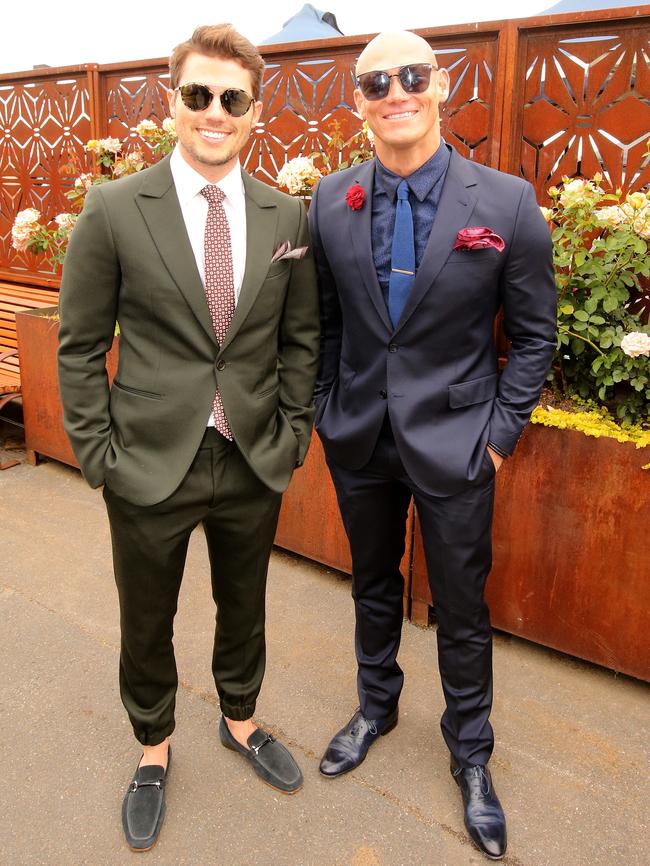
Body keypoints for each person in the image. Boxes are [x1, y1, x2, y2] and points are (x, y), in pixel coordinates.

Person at [57, 24, 319, 852]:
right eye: (198, 94)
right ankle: (153, 743)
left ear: (254, 112)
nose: (214, 111)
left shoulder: (287, 213)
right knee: (148, 615)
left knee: (243, 606)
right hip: (148, 461)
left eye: (231, 98)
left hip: (251, 456)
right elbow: (78, 343)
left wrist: (293, 433)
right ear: (173, 102)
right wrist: (100, 457)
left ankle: (240, 719)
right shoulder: (112, 207)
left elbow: (302, 339)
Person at [308, 30, 556, 861]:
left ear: (442, 85)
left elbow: (533, 338)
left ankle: (471, 756)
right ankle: (375, 706)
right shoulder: (331, 198)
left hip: (458, 442)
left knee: (462, 606)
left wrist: (497, 438)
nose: (396, 92)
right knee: (373, 586)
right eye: (378, 81)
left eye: (412, 75)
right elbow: (327, 325)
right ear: (360, 101)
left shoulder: (506, 203)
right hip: (360, 439)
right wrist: (323, 411)